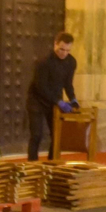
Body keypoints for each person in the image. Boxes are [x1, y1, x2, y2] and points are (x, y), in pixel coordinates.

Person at [26, 32, 78, 161]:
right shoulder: (43, 62)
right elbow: (41, 87)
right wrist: (59, 101)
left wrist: (73, 99)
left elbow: (68, 83)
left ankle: (52, 164)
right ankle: (32, 166)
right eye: (61, 49)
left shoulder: (71, 62)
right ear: (55, 44)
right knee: (36, 135)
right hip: (36, 101)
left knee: (57, 135)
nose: (64, 53)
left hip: (54, 101)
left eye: (67, 50)